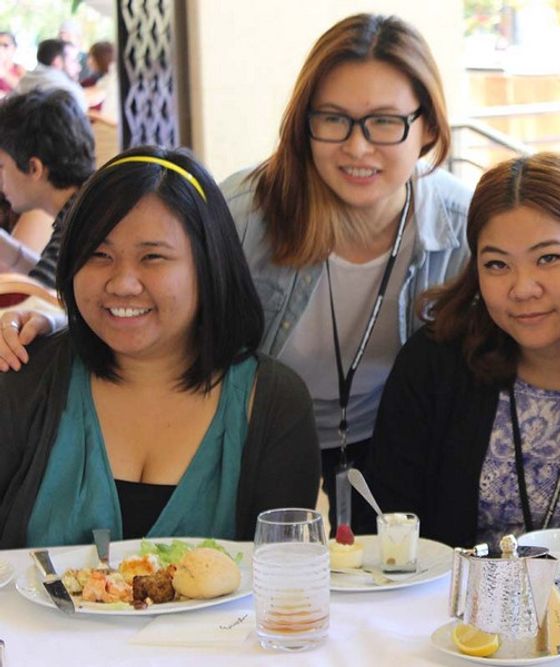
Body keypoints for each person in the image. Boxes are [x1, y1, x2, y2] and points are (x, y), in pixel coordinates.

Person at [221, 13, 470, 532]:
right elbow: (154, 309)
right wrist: (48, 321)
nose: (357, 147)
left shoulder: (464, 225)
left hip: (400, 456)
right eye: (333, 119)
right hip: (258, 448)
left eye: (384, 121)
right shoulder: (244, 213)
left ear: (426, 126)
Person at [0, 146, 321, 548]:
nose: (122, 283)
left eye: (153, 256)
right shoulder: (25, 376)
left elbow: (286, 581)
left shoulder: (272, 401)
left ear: (208, 265)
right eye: (99, 255)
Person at [362, 152, 560, 548]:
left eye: (548, 258)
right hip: (452, 606)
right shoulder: (435, 364)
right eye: (497, 265)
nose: (523, 288)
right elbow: (385, 522)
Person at [0, 89, 93, 326]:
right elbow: (49, 282)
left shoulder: (83, 217)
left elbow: (39, 303)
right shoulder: (86, 200)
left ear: (34, 168)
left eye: (1, 167)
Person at [15, 38, 87, 112]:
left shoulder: (25, 81)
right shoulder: (69, 92)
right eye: (73, 60)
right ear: (57, 61)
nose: (79, 68)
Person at [0, 30, 25, 98]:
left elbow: (24, 90)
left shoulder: (19, 68)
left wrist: (4, 72)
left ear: (14, 49)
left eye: (5, 45)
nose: (1, 48)